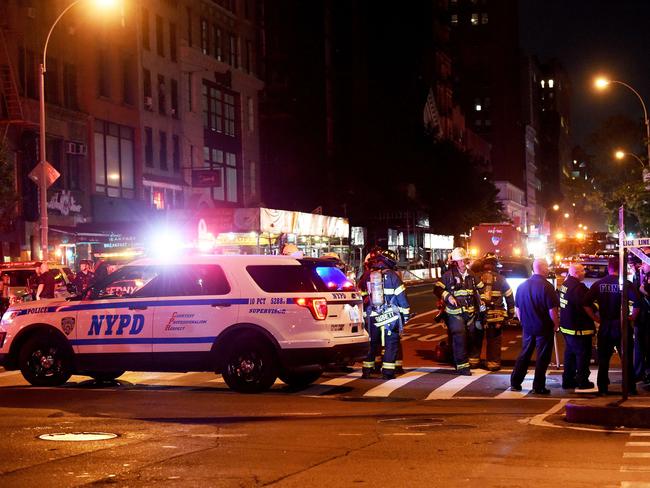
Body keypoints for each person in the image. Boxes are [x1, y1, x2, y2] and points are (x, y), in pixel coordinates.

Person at [584, 257, 641, 395]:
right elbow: (638, 303)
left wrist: (596, 319)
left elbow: (585, 303)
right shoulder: (626, 284)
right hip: (622, 326)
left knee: (603, 359)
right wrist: (631, 318)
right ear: (621, 269)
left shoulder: (599, 284)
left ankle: (603, 388)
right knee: (626, 358)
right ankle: (630, 388)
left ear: (609, 268)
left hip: (606, 325)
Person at [510, 259, 559, 394]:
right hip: (543, 328)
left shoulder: (522, 286)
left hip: (528, 327)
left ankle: (515, 382)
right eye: (547, 266)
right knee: (542, 358)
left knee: (524, 354)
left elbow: (517, 309)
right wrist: (556, 324)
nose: (548, 269)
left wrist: (524, 322)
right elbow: (552, 310)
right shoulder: (547, 287)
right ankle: (538, 386)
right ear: (543, 268)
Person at [360, 248, 410, 379]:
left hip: (372, 316)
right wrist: (405, 316)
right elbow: (402, 299)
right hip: (390, 317)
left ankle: (367, 370)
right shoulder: (393, 276)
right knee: (391, 343)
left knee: (371, 343)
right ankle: (388, 372)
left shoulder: (367, 275)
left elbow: (361, 297)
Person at [434, 247, 484, 375]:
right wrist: (448, 296)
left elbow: (481, 289)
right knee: (459, 337)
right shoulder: (448, 276)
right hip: (454, 314)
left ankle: (464, 360)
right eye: (460, 261)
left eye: (464, 260)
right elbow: (437, 289)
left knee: (472, 337)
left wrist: (483, 300)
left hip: (470, 314)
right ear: (455, 262)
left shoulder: (471, 275)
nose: (463, 263)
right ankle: (462, 367)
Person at [470, 253, 515, 371]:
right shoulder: (501, 279)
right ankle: (493, 363)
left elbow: (470, 296)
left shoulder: (475, 277)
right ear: (495, 264)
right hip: (496, 317)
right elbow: (509, 297)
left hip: (478, 315)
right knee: (494, 340)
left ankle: (473, 362)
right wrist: (510, 314)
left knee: (475, 338)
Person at [558, 263, 596, 390]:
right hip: (578, 328)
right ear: (575, 273)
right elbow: (587, 304)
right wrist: (596, 312)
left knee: (570, 354)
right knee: (582, 355)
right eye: (582, 271)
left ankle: (568, 380)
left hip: (567, 327)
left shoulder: (565, 284)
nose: (584, 273)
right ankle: (582, 381)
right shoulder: (579, 288)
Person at [635, 261, 650, 384]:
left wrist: (643, 290)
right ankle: (640, 373)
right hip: (642, 319)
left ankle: (643, 373)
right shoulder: (644, 276)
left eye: (644, 264)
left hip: (646, 320)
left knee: (644, 347)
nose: (642, 266)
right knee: (641, 347)